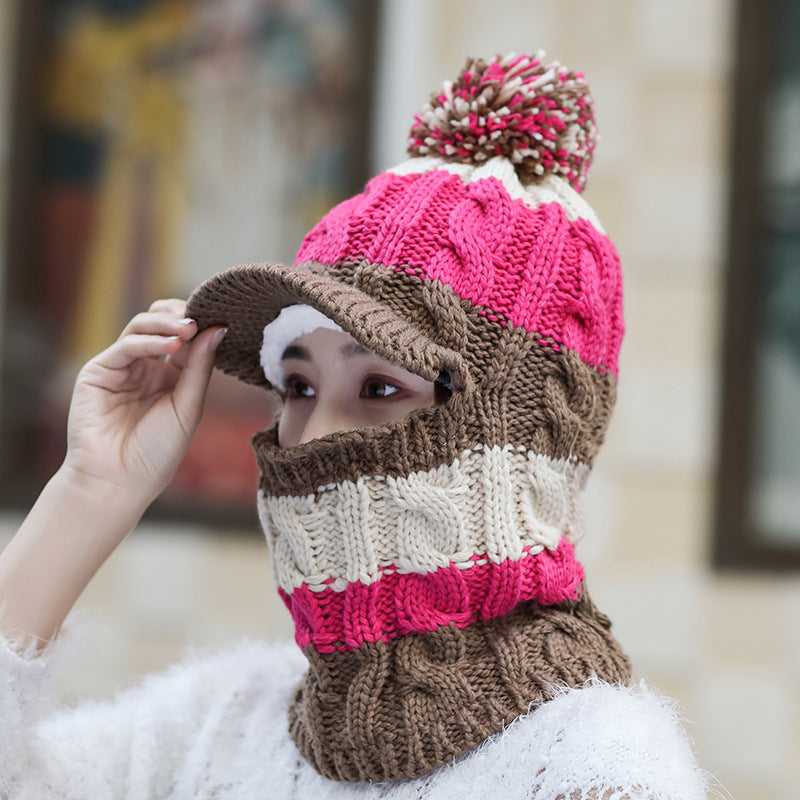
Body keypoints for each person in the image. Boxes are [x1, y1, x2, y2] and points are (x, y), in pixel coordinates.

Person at [0, 53, 714, 798]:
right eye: (298, 384)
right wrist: (89, 493)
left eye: (378, 385)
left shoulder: (592, 772)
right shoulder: (213, 728)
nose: (308, 437)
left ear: (520, 446)